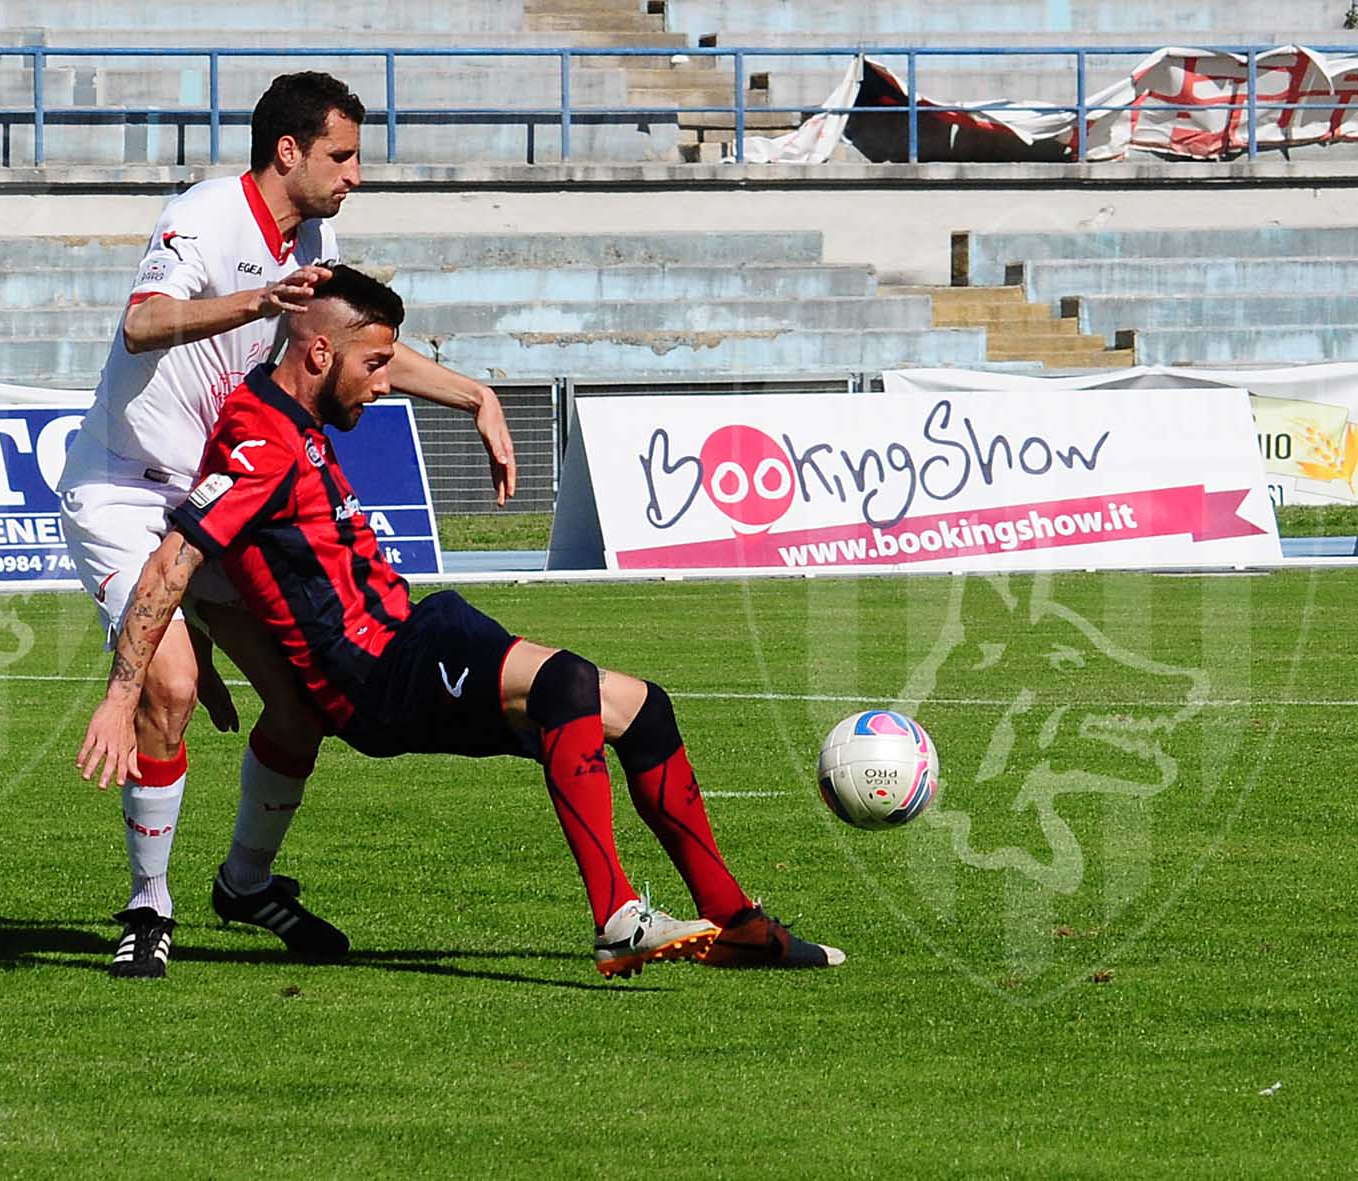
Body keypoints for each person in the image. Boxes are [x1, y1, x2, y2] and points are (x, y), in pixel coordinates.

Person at [77, 266, 846, 979]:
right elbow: (173, 560)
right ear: (317, 354)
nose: (384, 384)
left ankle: (737, 922)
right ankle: (616, 917)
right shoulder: (258, 440)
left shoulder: (288, 411)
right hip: (373, 673)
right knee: (566, 685)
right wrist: (123, 691)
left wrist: (473, 394)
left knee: (644, 708)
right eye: (375, 364)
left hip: (411, 635)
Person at [57, 72, 517, 979]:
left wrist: (473, 393)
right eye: (342, 156)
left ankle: (245, 882)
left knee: (306, 704)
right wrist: (258, 303)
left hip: (222, 491)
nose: (355, 175)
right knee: (173, 685)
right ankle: (149, 906)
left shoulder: (314, 234)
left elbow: (352, 342)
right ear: (289, 151)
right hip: (125, 489)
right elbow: (144, 324)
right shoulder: (205, 215)